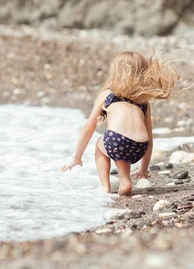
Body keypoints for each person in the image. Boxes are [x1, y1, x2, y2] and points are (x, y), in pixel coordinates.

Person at [62, 51, 179, 196]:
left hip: (117, 142)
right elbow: (149, 137)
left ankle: (105, 186)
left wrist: (77, 158)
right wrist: (144, 168)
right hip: (140, 146)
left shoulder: (108, 95)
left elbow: (88, 127)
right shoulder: (144, 101)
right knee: (124, 147)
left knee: (100, 143)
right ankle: (125, 180)